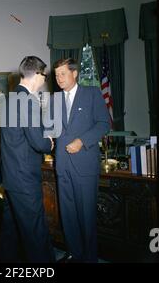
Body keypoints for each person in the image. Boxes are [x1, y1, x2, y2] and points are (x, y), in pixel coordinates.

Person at [0, 56, 55, 263]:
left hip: (10, 177)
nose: (44, 81)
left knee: (10, 232)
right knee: (35, 233)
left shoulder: (9, 99)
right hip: (24, 179)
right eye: (44, 76)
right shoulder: (28, 101)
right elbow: (38, 143)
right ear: (37, 74)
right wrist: (50, 142)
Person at [54, 58, 110, 263]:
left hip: (85, 166)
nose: (59, 78)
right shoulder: (55, 99)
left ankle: (89, 258)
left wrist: (82, 141)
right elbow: (51, 130)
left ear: (74, 73)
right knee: (67, 215)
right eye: (56, 74)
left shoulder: (92, 94)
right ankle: (73, 253)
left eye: (63, 74)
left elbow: (104, 124)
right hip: (62, 165)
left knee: (86, 216)